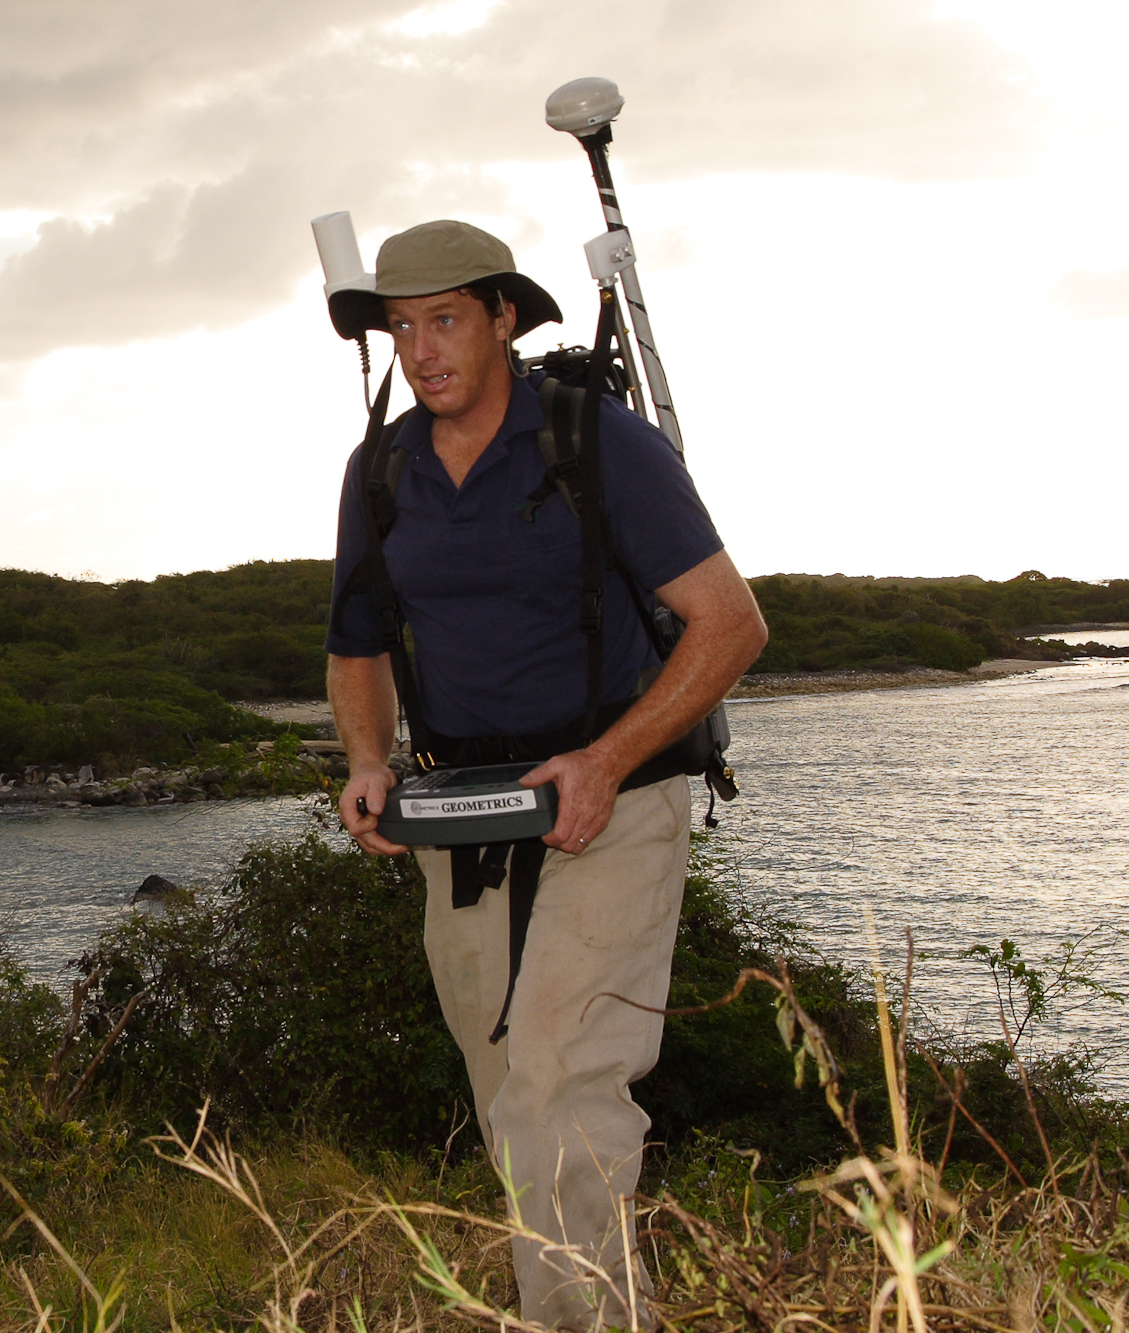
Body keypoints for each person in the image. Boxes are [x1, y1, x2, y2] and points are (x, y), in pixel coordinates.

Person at [325, 220, 768, 1331]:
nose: (420, 350)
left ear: (502, 319)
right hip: (461, 821)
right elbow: (357, 645)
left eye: (443, 321)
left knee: (562, 1088)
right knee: (506, 1096)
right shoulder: (379, 470)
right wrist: (369, 761)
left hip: (613, 799)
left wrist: (607, 758)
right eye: (399, 326)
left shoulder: (596, 441)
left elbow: (727, 625)